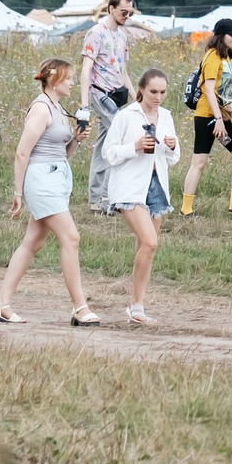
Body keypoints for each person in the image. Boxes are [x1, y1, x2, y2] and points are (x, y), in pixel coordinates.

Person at [0, 57, 102, 326]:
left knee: (33, 242)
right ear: (54, 79)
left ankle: (1, 303)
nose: (73, 83)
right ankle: (80, 307)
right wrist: (18, 193)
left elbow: (60, 153)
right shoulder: (41, 108)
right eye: (69, 78)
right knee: (71, 237)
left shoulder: (58, 108)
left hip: (56, 177)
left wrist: (76, 140)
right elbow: (22, 152)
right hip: (41, 180)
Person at [95, 68, 180, 325]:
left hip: (156, 185)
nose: (158, 97)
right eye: (153, 91)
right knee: (150, 242)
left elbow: (173, 158)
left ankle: (137, 305)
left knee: (146, 247)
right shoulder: (126, 116)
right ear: (141, 89)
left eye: (162, 92)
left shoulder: (166, 116)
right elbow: (108, 152)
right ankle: (135, 306)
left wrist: (172, 146)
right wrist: (135, 147)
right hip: (129, 186)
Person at [180, 18, 232, 217]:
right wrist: (218, 120)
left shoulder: (227, 57)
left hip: (221, 116)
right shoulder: (212, 56)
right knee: (199, 162)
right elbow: (209, 90)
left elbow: (224, 88)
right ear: (222, 36)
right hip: (207, 117)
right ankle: (186, 209)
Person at [78, 0, 139, 211]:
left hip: (116, 94)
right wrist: (84, 105)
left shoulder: (122, 36)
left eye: (130, 13)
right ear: (111, 9)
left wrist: (137, 99)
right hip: (100, 92)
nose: (126, 16)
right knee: (120, 138)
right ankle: (109, 196)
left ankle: (96, 198)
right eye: (123, 12)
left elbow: (123, 71)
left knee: (104, 145)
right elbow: (86, 69)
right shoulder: (96, 34)